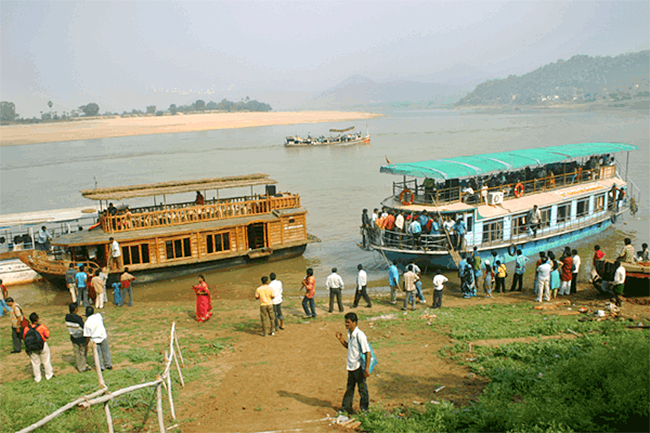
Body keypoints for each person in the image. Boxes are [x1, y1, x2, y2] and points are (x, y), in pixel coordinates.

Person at [335, 312, 370, 414]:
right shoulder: (350, 333)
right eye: (345, 322)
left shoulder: (360, 335)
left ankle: (364, 410)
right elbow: (349, 347)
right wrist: (341, 340)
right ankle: (346, 408)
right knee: (350, 388)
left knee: (362, 390)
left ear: (354, 323)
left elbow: (367, 353)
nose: (346, 324)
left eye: (348, 322)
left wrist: (366, 369)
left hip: (358, 367)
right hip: (351, 366)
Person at [23, 312, 54, 382]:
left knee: (35, 363)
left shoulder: (26, 329)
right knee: (46, 360)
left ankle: (37, 378)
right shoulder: (41, 326)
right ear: (37, 319)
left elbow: (24, 337)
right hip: (42, 345)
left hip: (32, 347)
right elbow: (47, 335)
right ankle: (48, 375)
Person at [83, 306, 112, 370]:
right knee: (106, 352)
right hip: (103, 336)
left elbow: (87, 335)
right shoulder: (98, 316)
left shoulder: (87, 323)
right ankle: (108, 364)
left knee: (97, 354)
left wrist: (87, 344)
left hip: (95, 339)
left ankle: (101, 367)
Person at [65, 303, 90, 372]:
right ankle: (83, 366)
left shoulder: (67, 316)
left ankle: (79, 367)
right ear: (75, 309)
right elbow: (83, 327)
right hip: (80, 337)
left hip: (73, 336)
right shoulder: (78, 318)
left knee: (76, 352)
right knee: (82, 351)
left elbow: (73, 319)